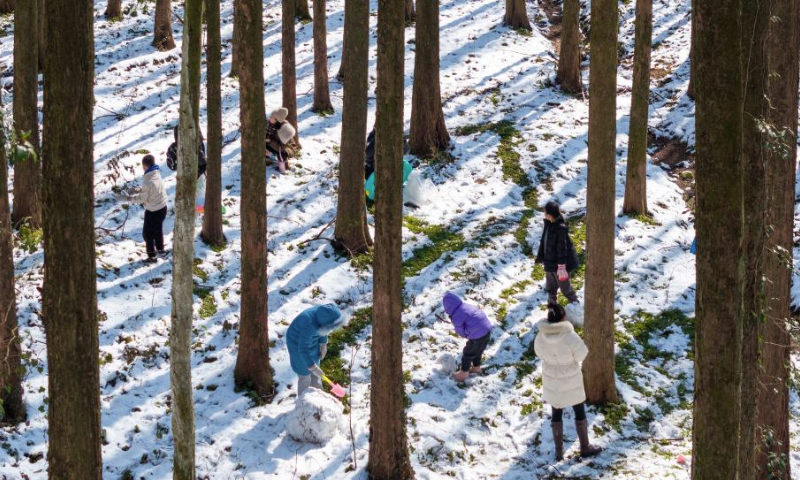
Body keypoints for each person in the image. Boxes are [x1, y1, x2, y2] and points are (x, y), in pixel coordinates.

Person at [534, 302, 602, 461]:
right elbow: (582, 354)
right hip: (571, 377)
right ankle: (585, 447)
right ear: (563, 317)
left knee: (556, 411)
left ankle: (559, 452)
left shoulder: (540, 335)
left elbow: (539, 353)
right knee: (579, 409)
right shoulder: (570, 336)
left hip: (551, 377)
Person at [286, 303, 344, 395]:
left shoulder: (324, 314)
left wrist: (323, 344)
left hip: (311, 339)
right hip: (296, 343)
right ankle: (303, 402)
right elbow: (302, 349)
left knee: (316, 372)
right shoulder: (309, 324)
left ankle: (318, 396)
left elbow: (324, 330)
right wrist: (312, 366)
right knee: (305, 374)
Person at [120, 155, 168, 263]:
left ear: (145, 166)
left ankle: (152, 257)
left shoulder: (147, 180)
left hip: (153, 211)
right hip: (162, 208)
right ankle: (161, 250)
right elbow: (151, 190)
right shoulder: (156, 173)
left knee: (148, 235)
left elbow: (142, 198)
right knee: (158, 230)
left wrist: (128, 198)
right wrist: (138, 189)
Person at [442, 292, 493, 382]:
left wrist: (466, 335)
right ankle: (476, 368)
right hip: (487, 330)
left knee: (468, 353)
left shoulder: (456, 316)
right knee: (478, 350)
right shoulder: (466, 306)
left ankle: (464, 373)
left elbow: (460, 330)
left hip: (476, 334)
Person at [536, 201, 579, 305]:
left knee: (566, 290)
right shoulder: (549, 225)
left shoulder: (560, 228)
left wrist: (561, 266)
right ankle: (552, 310)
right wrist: (541, 257)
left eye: (545, 212)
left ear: (549, 214)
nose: (544, 214)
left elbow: (562, 248)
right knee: (551, 289)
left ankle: (577, 308)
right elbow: (544, 242)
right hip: (549, 264)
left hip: (560, 266)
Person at [265, 107, 297, 173]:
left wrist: (270, 141)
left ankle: (283, 167)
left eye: (272, 117)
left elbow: (281, 147)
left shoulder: (285, 130)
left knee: (282, 154)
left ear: (277, 119)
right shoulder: (272, 124)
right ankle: (268, 160)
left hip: (286, 148)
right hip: (275, 144)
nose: (270, 117)